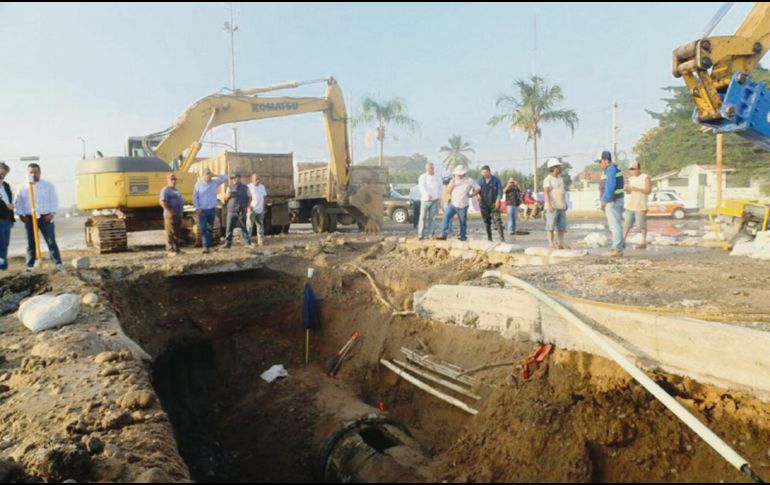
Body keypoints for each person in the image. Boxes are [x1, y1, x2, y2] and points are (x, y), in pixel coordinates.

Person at [15, 163, 62, 268]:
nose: (33, 174)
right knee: (30, 243)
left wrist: (51, 214)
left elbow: (54, 201)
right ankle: (30, 266)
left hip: (45, 217)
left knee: (51, 241)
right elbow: (18, 202)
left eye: (36, 172)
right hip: (29, 218)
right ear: (27, 173)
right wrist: (21, 215)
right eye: (31, 172)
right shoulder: (22, 187)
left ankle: (57, 263)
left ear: (40, 173)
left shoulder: (48, 185)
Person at [437, 165, 479, 242]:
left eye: (459, 174)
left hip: (463, 205)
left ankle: (463, 236)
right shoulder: (453, 180)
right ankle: (444, 234)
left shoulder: (469, 180)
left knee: (462, 221)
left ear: (463, 174)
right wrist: (452, 184)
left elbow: (478, 188)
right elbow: (448, 191)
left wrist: (472, 195)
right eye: (457, 174)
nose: (458, 176)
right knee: (446, 216)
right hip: (453, 204)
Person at [193, 168, 227, 254]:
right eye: (207, 174)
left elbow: (226, 177)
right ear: (203, 175)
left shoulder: (214, 182)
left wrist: (215, 174)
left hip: (212, 209)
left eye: (209, 174)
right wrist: (197, 207)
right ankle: (205, 247)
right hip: (202, 210)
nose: (209, 176)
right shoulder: (199, 184)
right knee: (204, 228)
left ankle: (208, 246)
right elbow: (195, 197)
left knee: (209, 228)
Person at [598, 150, 625, 256]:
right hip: (615, 200)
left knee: (614, 225)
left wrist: (604, 199)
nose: (599, 164)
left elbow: (610, 186)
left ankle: (616, 248)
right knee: (616, 224)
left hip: (612, 201)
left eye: (600, 161)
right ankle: (618, 246)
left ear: (605, 160)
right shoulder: (612, 169)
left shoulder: (610, 169)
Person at [623, 160, 652, 249]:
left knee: (641, 225)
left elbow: (648, 191)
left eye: (634, 169)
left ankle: (643, 242)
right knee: (626, 224)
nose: (632, 171)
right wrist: (627, 190)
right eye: (631, 169)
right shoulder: (631, 179)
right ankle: (623, 241)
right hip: (631, 205)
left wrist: (636, 189)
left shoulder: (645, 177)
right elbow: (629, 192)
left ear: (638, 169)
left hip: (641, 205)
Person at [543, 159, 568, 249]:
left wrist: (565, 203)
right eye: (558, 167)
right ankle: (551, 243)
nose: (560, 168)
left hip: (561, 206)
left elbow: (562, 191)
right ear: (553, 168)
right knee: (550, 226)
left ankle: (561, 243)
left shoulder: (560, 178)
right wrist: (549, 205)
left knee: (562, 227)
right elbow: (546, 193)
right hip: (552, 206)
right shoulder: (548, 179)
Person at [477, 165, 505, 242]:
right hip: (484, 204)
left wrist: (498, 200)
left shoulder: (496, 180)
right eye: (483, 173)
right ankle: (490, 238)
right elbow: (476, 190)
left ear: (489, 172)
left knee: (497, 220)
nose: (484, 174)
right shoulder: (480, 181)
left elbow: (500, 191)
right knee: (486, 221)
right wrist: (478, 195)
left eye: (486, 172)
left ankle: (502, 238)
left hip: (493, 203)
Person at [223, 173, 251, 248]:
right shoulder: (229, 187)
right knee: (229, 227)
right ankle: (228, 243)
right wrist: (228, 196)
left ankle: (247, 242)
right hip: (231, 210)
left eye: (235, 178)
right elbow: (225, 199)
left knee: (244, 227)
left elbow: (249, 197)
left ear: (239, 178)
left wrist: (247, 206)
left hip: (241, 210)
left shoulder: (245, 187)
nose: (234, 180)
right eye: (232, 178)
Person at [160, 173, 185, 256]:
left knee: (176, 232)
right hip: (170, 214)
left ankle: (177, 249)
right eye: (171, 180)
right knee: (170, 232)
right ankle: (170, 250)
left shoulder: (176, 190)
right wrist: (170, 211)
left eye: (174, 179)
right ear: (168, 180)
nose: (173, 181)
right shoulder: (165, 190)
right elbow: (163, 202)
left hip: (178, 214)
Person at [417, 162, 443, 239]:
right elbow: (421, 187)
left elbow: (440, 187)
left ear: (433, 168)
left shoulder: (437, 177)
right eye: (428, 168)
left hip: (434, 200)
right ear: (426, 169)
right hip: (425, 200)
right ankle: (420, 235)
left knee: (432, 218)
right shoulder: (423, 177)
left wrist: (439, 198)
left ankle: (430, 234)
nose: (430, 170)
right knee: (422, 217)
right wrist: (426, 194)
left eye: (431, 168)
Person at [0, 163, 15, 270]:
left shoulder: (6, 185)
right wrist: (6, 206)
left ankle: (3, 266)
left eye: (4, 175)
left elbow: (9, 200)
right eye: (1, 174)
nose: (2, 177)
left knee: (4, 243)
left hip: (6, 219)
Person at [247, 173, 268, 246]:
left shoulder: (262, 187)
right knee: (249, 226)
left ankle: (260, 241)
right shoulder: (249, 187)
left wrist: (264, 207)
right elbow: (247, 198)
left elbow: (264, 197)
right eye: (256, 179)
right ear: (252, 179)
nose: (257, 180)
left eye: (258, 179)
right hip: (252, 209)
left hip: (260, 209)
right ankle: (248, 241)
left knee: (260, 226)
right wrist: (249, 207)